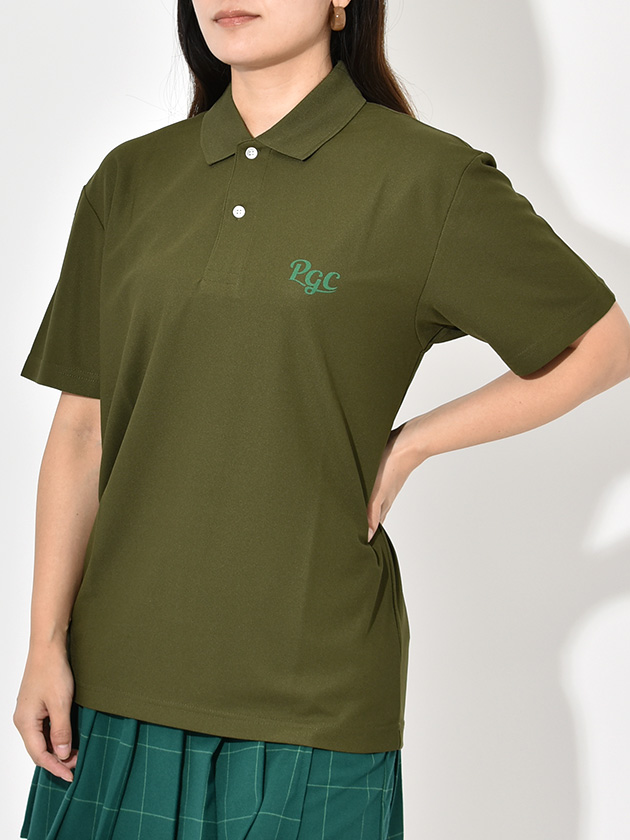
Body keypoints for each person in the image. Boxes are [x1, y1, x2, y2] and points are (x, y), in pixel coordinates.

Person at [13, 1, 630, 838]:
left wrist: (413, 444)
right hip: (115, 678)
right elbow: (80, 431)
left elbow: (600, 345)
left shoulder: (428, 180)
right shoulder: (130, 180)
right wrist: (44, 642)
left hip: (315, 693)